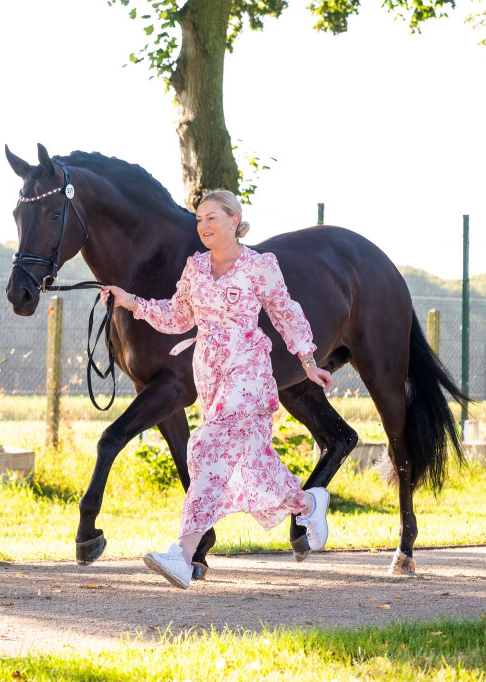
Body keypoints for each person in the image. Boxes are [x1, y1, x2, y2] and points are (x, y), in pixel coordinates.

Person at [100, 189, 334, 589]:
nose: (204, 226)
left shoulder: (260, 265)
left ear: (233, 219)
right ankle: (309, 502)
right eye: (199, 220)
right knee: (253, 465)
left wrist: (309, 362)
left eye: (212, 217)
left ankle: (182, 554)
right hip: (210, 372)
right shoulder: (195, 268)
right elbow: (176, 317)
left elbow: (284, 311)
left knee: (204, 448)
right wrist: (130, 301)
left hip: (248, 369)